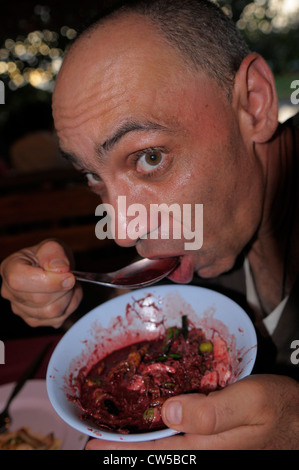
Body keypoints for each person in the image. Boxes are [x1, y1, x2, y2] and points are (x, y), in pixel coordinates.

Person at [1, 0, 298, 449]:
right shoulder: (223, 229)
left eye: (149, 157)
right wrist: (66, 301)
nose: (122, 232)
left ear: (254, 104)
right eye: (92, 176)